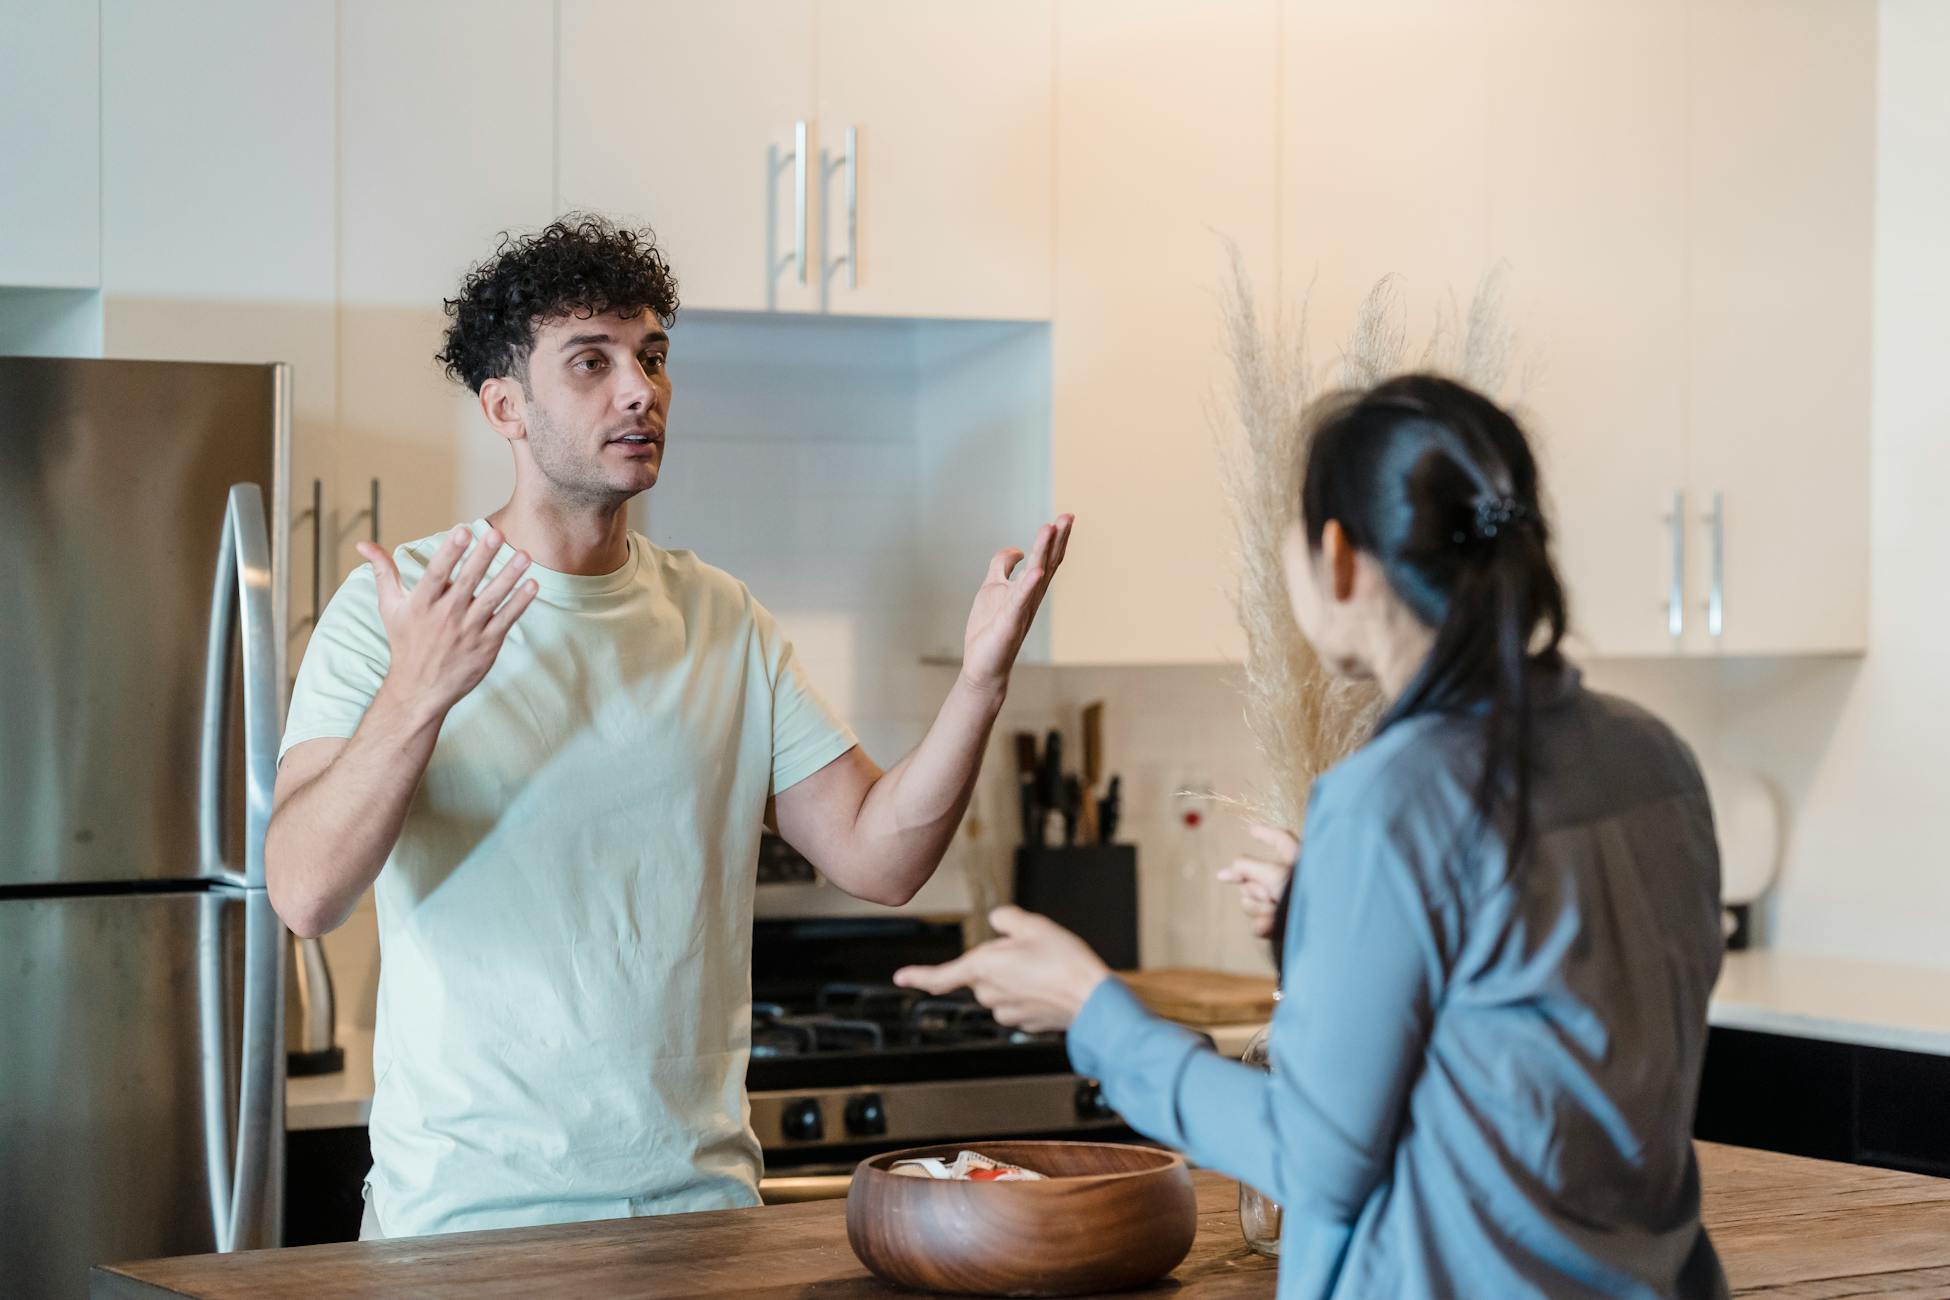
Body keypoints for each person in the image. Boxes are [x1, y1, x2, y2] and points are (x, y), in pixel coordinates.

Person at [267, 215, 1072, 1238]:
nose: (640, 389)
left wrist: (980, 683)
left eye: (651, 356)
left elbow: (880, 856)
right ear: (505, 406)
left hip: (699, 1219)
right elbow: (302, 891)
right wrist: (420, 690)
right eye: (591, 363)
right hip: (466, 1230)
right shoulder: (404, 609)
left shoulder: (721, 618)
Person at [897, 375, 1728, 1299]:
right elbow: (1535, 1041)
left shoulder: (1391, 800)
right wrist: (1324, 913)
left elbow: (1315, 1156)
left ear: (1336, 555)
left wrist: (1094, 1010)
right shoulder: (1659, 758)